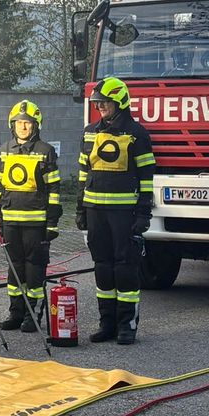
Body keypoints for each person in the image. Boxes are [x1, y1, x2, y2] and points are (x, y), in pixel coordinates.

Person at [76, 76, 155, 345]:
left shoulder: (136, 134)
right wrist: (80, 209)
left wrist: (144, 213)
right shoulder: (89, 132)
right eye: (98, 103)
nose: (100, 107)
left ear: (119, 101)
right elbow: (83, 173)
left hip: (124, 213)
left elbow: (146, 177)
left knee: (125, 268)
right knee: (102, 268)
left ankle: (127, 326)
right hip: (96, 210)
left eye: (105, 102)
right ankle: (106, 324)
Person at [0, 99, 62, 332]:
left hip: (36, 222)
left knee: (34, 270)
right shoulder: (4, 149)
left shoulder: (46, 151)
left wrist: (52, 223)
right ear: (12, 125)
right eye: (19, 122)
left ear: (36, 125)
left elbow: (54, 190)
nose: (23, 127)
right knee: (14, 269)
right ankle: (16, 313)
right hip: (10, 220)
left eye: (27, 123)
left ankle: (33, 315)